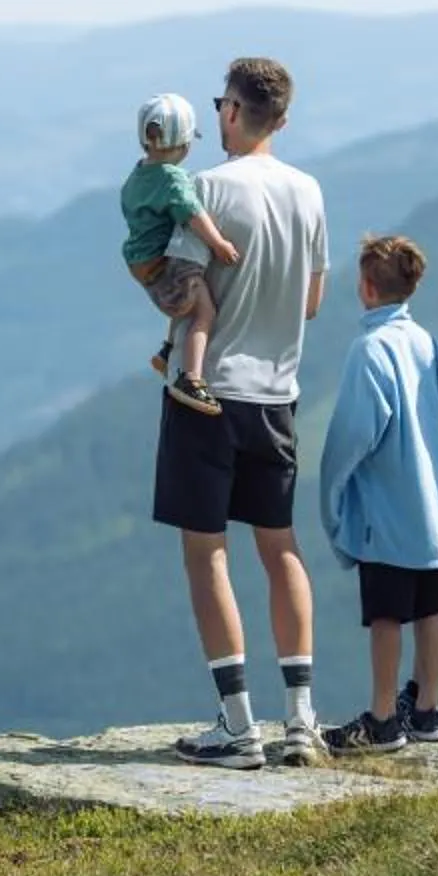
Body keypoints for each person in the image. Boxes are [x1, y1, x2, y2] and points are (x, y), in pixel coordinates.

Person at [163, 57, 331, 770]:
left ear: (231, 111)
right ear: (282, 120)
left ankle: (238, 726)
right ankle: (301, 718)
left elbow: (181, 292)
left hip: (205, 394)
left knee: (207, 553)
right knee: (280, 546)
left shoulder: (205, 188)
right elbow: (313, 301)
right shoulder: (308, 190)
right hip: (276, 391)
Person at [314, 234, 438, 754]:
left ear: (367, 287)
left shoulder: (369, 349)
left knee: (384, 617)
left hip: (387, 512)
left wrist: (330, 496)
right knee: (430, 612)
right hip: (432, 512)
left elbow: (355, 433)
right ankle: (428, 709)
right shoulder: (428, 343)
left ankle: (382, 719)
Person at [122, 93, 246, 416]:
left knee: (182, 286)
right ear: (184, 144)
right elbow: (193, 213)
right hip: (162, 265)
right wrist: (219, 243)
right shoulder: (174, 180)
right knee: (204, 313)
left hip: (140, 262)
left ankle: (167, 350)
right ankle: (191, 378)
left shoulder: (137, 176)